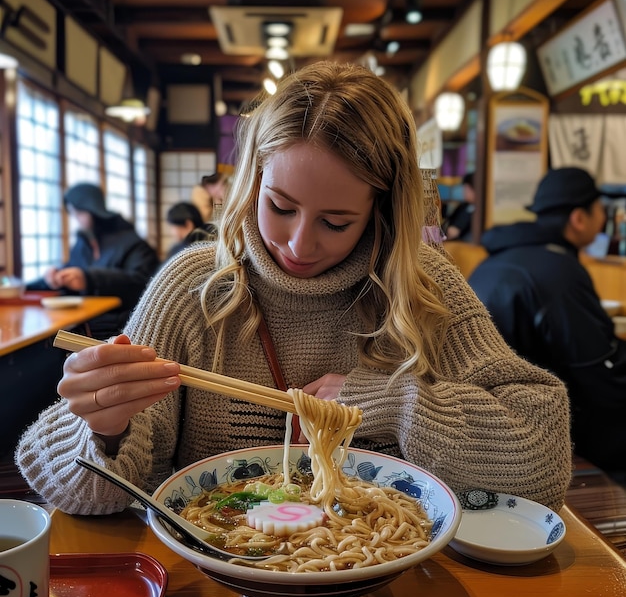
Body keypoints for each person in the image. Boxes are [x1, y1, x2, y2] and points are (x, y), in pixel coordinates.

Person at [16, 62, 572, 516]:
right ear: (253, 179)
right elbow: (83, 493)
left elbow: (543, 459)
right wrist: (106, 427)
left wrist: (393, 404)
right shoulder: (194, 288)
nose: (300, 245)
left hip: (387, 574)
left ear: (382, 208)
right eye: (280, 207)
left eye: (336, 221)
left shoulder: (419, 286)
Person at [468, 167, 625, 477]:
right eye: (599, 211)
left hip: (489, 418)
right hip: (536, 429)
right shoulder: (558, 270)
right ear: (579, 218)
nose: (602, 220)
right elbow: (594, 367)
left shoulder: (497, 259)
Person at [26, 183, 159, 339]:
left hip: (122, 332)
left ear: (92, 209)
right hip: (81, 327)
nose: (76, 218)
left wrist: (89, 279)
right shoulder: (84, 243)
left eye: (78, 212)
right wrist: (52, 279)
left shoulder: (133, 243)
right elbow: (73, 271)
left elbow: (143, 284)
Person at [443, 172, 475, 241]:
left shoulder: (469, 209)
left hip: (455, 246)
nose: (464, 191)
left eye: (466, 188)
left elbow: (452, 232)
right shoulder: (465, 206)